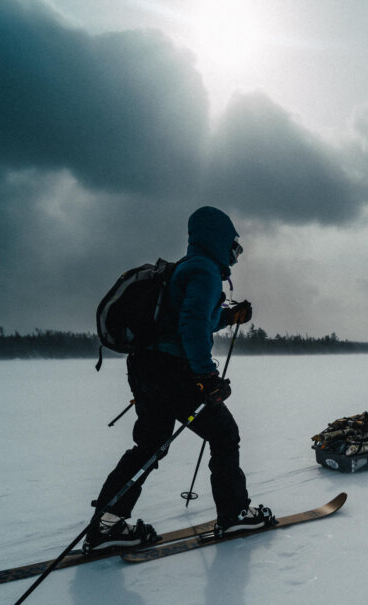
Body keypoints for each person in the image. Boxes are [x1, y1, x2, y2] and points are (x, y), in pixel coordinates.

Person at [84, 206, 272, 553]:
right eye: (234, 246)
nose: (235, 254)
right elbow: (192, 327)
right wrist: (207, 377)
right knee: (225, 435)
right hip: (175, 374)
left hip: (146, 369)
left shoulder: (185, 269)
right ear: (218, 239)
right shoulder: (204, 271)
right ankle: (234, 514)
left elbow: (186, 319)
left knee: (150, 444)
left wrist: (229, 316)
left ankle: (106, 525)